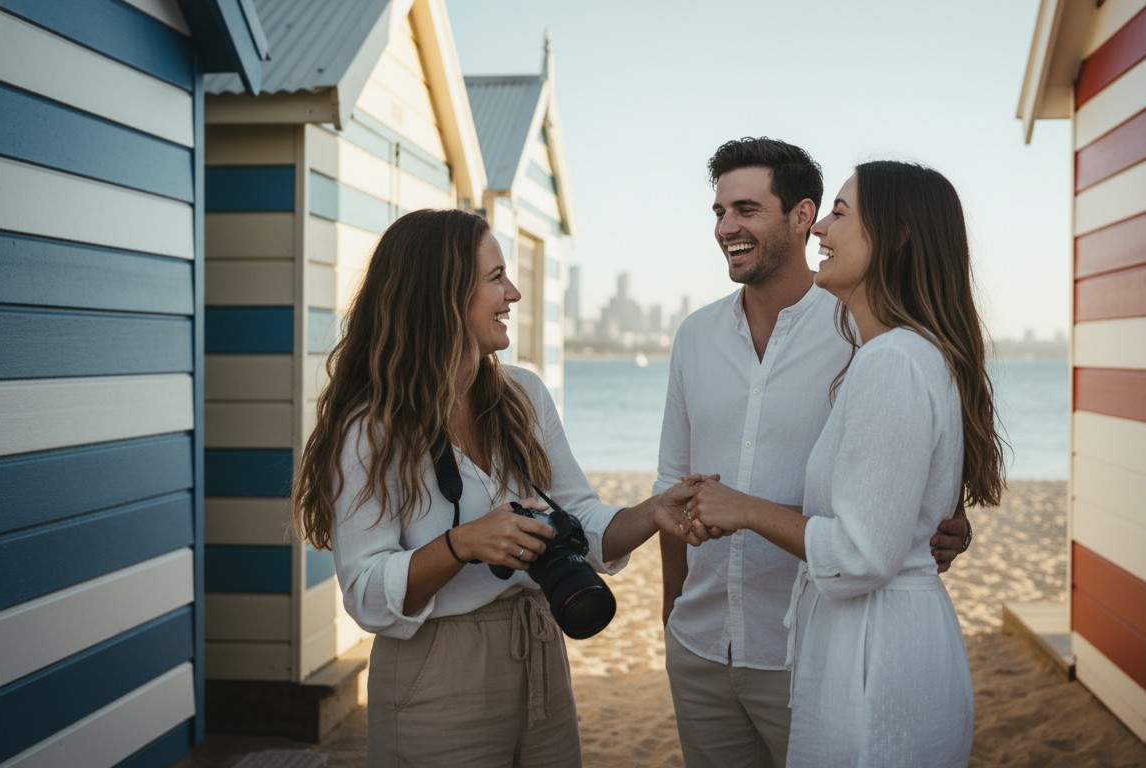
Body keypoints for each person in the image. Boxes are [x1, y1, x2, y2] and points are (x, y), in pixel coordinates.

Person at [291, 208, 693, 767]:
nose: (515, 292)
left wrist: (654, 512)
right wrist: (464, 544)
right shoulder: (373, 427)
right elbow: (364, 591)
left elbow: (581, 521)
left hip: (541, 659)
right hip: (435, 672)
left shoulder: (523, 395)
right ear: (441, 294)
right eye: (496, 277)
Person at [655, 139, 972, 768]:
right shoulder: (694, 336)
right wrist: (671, 618)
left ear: (800, 216)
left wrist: (942, 521)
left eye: (745, 209)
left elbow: (882, 520)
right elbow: (674, 488)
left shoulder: (866, 339)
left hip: (809, 647)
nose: (726, 228)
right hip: (702, 645)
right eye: (718, 212)